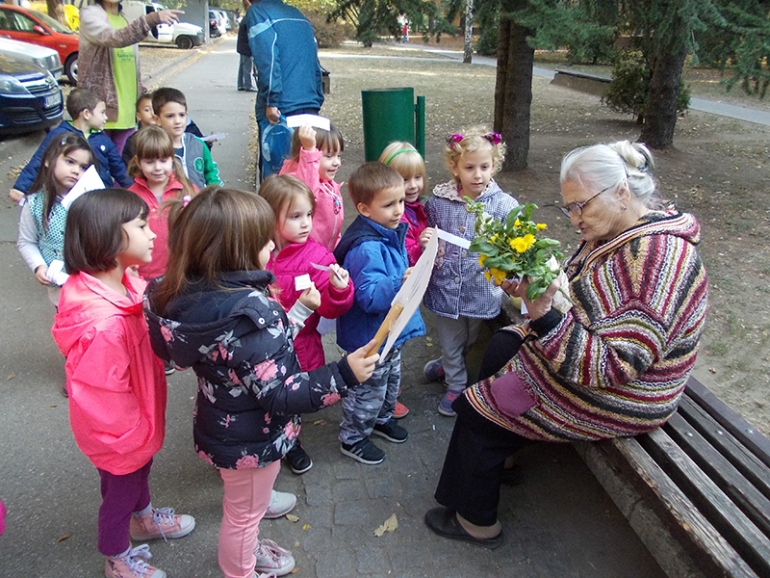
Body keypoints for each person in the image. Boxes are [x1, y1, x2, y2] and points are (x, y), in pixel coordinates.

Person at [424, 140, 709, 549]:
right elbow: (582, 297)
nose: (574, 219)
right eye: (568, 208)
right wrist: (534, 292)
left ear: (622, 192)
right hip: (594, 360)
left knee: (476, 407)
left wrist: (542, 313)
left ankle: (477, 522)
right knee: (503, 345)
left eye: (581, 206)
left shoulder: (658, 259)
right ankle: (500, 456)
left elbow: (615, 365)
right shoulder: (619, 229)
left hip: (630, 392)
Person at [144, 187, 379, 578]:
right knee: (241, 516)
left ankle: (257, 507)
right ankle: (242, 568)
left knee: (245, 498)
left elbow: (253, 351)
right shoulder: (251, 313)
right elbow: (282, 392)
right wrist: (344, 374)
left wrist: (300, 309)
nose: (273, 244)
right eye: (264, 239)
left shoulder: (199, 295)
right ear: (238, 251)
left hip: (223, 422)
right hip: (253, 436)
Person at [52, 189, 196, 578]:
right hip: (119, 431)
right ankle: (116, 555)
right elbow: (101, 396)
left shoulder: (125, 283)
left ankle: (143, 518)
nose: (153, 234)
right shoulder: (103, 324)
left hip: (137, 419)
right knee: (119, 491)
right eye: (142, 225)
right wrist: (132, 436)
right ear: (110, 238)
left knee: (138, 474)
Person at [261, 174, 355, 475]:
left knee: (291, 398)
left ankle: (291, 442)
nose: (306, 224)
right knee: (266, 396)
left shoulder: (317, 256)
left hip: (303, 346)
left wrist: (339, 289)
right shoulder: (256, 256)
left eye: (309, 215)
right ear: (269, 218)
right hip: (263, 349)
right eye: (295, 216)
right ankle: (276, 440)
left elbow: (330, 305)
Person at [422, 127, 519, 417]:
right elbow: (427, 234)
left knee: (468, 339)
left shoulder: (503, 206)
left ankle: (447, 365)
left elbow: (514, 248)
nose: (477, 175)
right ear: (455, 167)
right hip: (446, 287)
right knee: (452, 339)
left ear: (494, 165)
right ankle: (456, 386)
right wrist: (425, 239)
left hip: (480, 288)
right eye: (469, 167)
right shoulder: (439, 204)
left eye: (484, 167)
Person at [334, 163, 426, 465]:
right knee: (367, 390)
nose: (399, 210)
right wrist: (399, 283)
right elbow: (370, 296)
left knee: (389, 382)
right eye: (388, 204)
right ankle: (354, 437)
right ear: (364, 208)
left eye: (400, 201)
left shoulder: (387, 231)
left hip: (389, 333)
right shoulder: (366, 247)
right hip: (369, 338)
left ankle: (381, 419)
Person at [78, 0, 182, 155]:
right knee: (99, 169)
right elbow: (114, 38)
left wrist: (142, 96)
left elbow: (132, 65)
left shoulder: (125, 18)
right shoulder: (90, 14)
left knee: (124, 170)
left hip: (128, 110)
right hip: (99, 110)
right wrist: (152, 18)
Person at [379, 141, 434, 419]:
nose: (412, 185)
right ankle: (385, 393)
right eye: (404, 179)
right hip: (398, 285)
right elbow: (400, 252)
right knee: (392, 338)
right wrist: (420, 247)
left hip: (409, 285)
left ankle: (390, 387)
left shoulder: (414, 208)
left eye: (417, 177)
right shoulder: (397, 215)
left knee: (399, 338)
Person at [245, 0, 325, 180]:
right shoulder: (298, 15)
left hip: (281, 109)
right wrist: (317, 99)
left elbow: (268, 58)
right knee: (306, 173)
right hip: (309, 105)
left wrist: (270, 100)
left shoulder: (258, 12)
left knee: (277, 180)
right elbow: (315, 62)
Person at [10, 88, 132, 203]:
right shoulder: (59, 136)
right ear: (86, 114)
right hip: (66, 198)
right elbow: (39, 160)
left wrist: (134, 189)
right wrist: (21, 187)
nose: (105, 117)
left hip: (101, 199)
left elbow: (119, 169)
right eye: (102, 112)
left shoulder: (104, 140)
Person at [17, 134, 94, 307]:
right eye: (70, 162)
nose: (76, 171)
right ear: (48, 160)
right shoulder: (35, 204)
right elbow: (26, 241)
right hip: (60, 288)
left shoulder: (91, 200)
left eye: (83, 167)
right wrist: (39, 266)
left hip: (92, 285)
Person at [126, 125, 198, 283]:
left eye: (163, 160)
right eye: (149, 162)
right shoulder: (129, 197)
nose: (157, 167)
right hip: (143, 277)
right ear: (138, 162)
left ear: (172, 158)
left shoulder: (187, 191)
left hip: (181, 275)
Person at [280, 123, 344, 250]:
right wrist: (309, 152)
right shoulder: (297, 181)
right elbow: (307, 195)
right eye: (329, 156)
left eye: (338, 156)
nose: (337, 162)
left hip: (324, 253)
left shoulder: (328, 184)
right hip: (305, 255)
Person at [152, 87, 222, 190]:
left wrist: (215, 192)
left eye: (181, 115)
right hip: (171, 204)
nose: (177, 121)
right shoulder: (154, 148)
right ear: (157, 119)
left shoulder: (198, 144)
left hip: (199, 202)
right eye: (170, 116)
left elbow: (211, 171)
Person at [121, 93, 156, 167]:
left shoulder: (165, 135)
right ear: (139, 116)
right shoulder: (134, 140)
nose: (152, 113)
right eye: (147, 110)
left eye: (155, 109)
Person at [236, 0, 258, 92]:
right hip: (246, 47)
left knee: (242, 66)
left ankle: (240, 84)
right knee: (247, 67)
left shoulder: (245, 18)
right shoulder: (249, 19)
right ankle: (248, 86)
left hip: (242, 46)